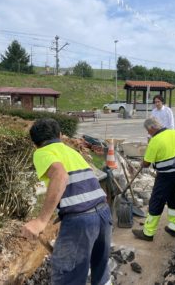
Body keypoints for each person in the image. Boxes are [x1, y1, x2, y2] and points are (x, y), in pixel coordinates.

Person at [21, 118, 112, 285]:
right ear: (60, 135)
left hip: (80, 219)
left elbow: (60, 175)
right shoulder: (71, 152)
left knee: (67, 277)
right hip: (103, 214)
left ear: (35, 143)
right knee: (101, 271)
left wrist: (41, 221)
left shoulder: (42, 152)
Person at [132, 117, 175, 241]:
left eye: (148, 130)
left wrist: (142, 162)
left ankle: (148, 233)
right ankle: (173, 228)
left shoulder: (155, 141)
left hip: (165, 176)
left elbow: (146, 163)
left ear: (152, 128)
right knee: (174, 199)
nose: (148, 133)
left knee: (156, 202)